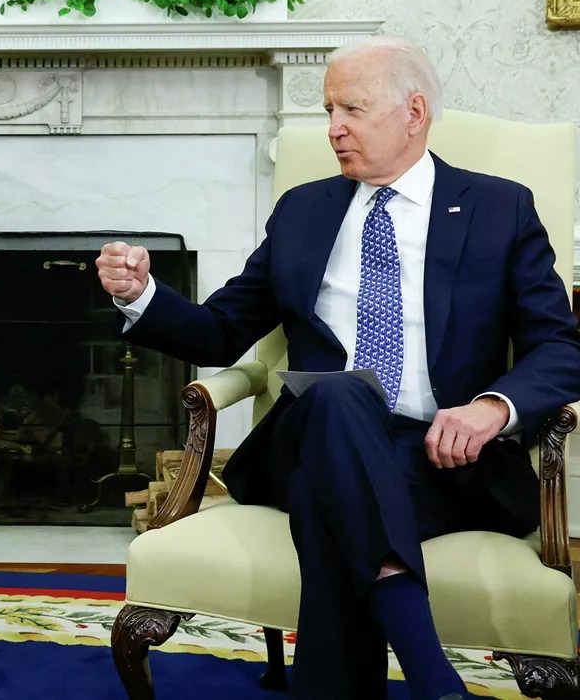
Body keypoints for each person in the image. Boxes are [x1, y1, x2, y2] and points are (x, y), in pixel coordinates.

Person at [96, 35, 580, 700]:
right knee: (341, 397)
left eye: (352, 109)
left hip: (446, 459)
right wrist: (140, 296)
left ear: (413, 113)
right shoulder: (305, 210)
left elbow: (559, 346)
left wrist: (492, 409)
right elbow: (222, 330)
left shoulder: (499, 209)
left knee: (328, 505)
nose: (333, 129)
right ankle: (433, 677)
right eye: (328, 110)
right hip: (315, 430)